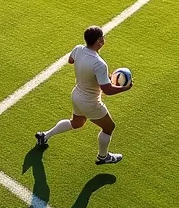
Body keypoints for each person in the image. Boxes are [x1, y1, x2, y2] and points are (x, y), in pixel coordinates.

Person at [34, 25, 132, 164]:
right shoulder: (99, 64)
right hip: (90, 103)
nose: (104, 39)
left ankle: (45, 136)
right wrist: (124, 88)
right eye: (102, 37)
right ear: (99, 41)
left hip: (77, 96)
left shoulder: (78, 49)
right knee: (109, 127)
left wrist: (99, 76)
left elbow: (71, 60)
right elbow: (108, 91)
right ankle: (103, 157)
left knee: (77, 123)